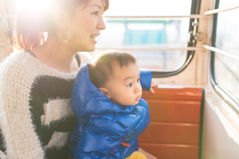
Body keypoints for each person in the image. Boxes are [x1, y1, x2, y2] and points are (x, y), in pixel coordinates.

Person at [0, 0, 158, 158]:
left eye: (102, 14)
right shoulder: (18, 75)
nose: (102, 25)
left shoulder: (85, 66)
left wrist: (142, 80)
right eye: (95, 13)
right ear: (62, 17)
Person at [69, 50, 151, 159]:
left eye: (138, 80)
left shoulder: (119, 98)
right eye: (130, 84)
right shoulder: (103, 122)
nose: (137, 88)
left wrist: (145, 80)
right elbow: (89, 155)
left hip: (122, 151)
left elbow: (125, 75)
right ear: (105, 93)